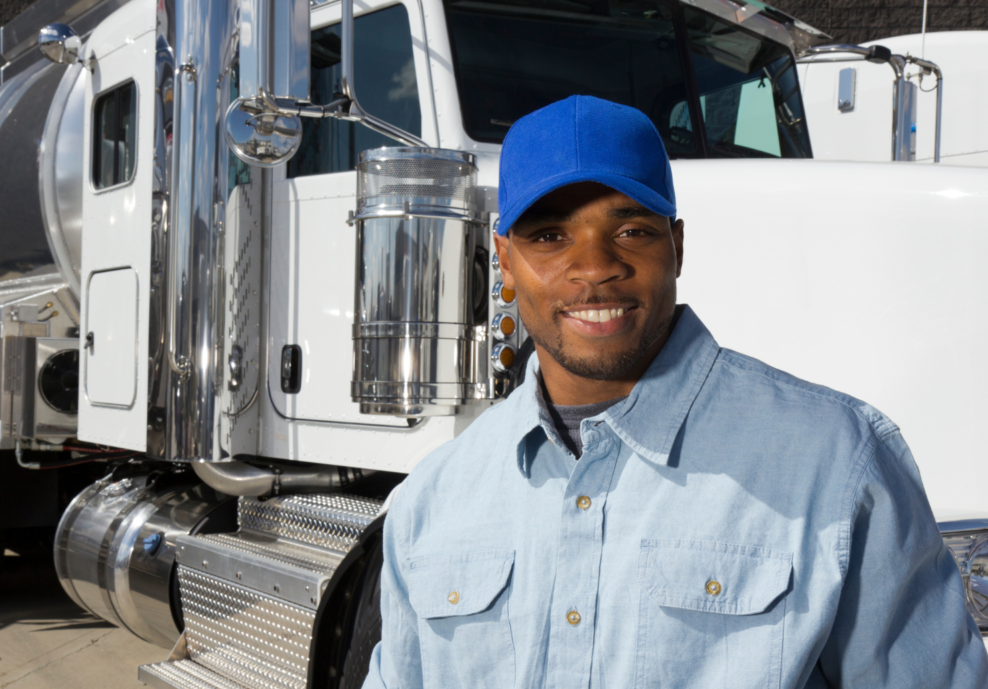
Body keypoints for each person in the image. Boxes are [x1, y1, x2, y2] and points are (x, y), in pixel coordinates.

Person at [361, 95, 988, 688]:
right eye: (550, 236)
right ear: (504, 259)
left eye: (630, 229)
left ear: (677, 246)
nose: (594, 266)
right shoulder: (430, 500)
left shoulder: (839, 463)